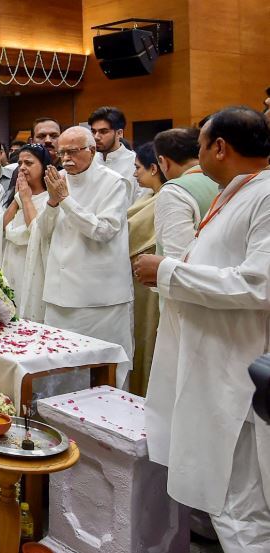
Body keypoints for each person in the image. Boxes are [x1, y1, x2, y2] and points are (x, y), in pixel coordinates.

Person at [134, 106, 270, 553]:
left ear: (219, 148)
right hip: (215, 359)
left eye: (203, 143)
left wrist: (166, 270)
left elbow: (259, 284)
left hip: (236, 369)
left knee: (237, 501)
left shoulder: (265, 195)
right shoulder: (239, 191)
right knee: (235, 497)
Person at [36, 126, 133, 388]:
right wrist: (53, 203)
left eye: (73, 151)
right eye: (62, 151)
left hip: (99, 299)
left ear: (91, 150)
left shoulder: (113, 182)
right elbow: (44, 231)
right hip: (59, 293)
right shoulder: (58, 178)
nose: (66, 157)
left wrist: (65, 199)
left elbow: (103, 230)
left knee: (101, 373)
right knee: (58, 370)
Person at [0, 144, 51, 308]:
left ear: (43, 167)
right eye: (20, 163)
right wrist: (17, 198)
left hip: (35, 264)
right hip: (10, 260)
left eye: (29, 163)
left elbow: (37, 230)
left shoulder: (50, 197)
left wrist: (27, 199)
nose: (22, 168)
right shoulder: (12, 195)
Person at [127, 143, 165, 397]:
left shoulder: (165, 198)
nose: (134, 174)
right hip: (135, 281)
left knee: (147, 340)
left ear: (154, 167)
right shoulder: (147, 196)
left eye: (138, 168)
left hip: (150, 287)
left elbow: (127, 234)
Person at [152, 127, 219, 260]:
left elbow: (177, 258)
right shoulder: (224, 180)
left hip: (192, 276)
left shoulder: (174, 191)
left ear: (163, 162)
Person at [89, 106, 139, 202]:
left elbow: (140, 205)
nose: (96, 137)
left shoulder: (135, 162)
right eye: (93, 131)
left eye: (103, 132)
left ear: (119, 133)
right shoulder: (89, 161)